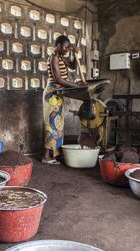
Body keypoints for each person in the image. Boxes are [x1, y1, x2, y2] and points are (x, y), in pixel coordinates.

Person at [42, 35, 83, 164]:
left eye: (67, 48)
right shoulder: (54, 57)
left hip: (58, 94)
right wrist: (77, 85)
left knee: (58, 125)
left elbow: (72, 66)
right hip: (52, 94)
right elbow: (58, 79)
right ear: (59, 45)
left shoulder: (60, 57)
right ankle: (46, 157)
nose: (66, 50)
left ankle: (54, 154)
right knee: (51, 125)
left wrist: (74, 54)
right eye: (65, 47)